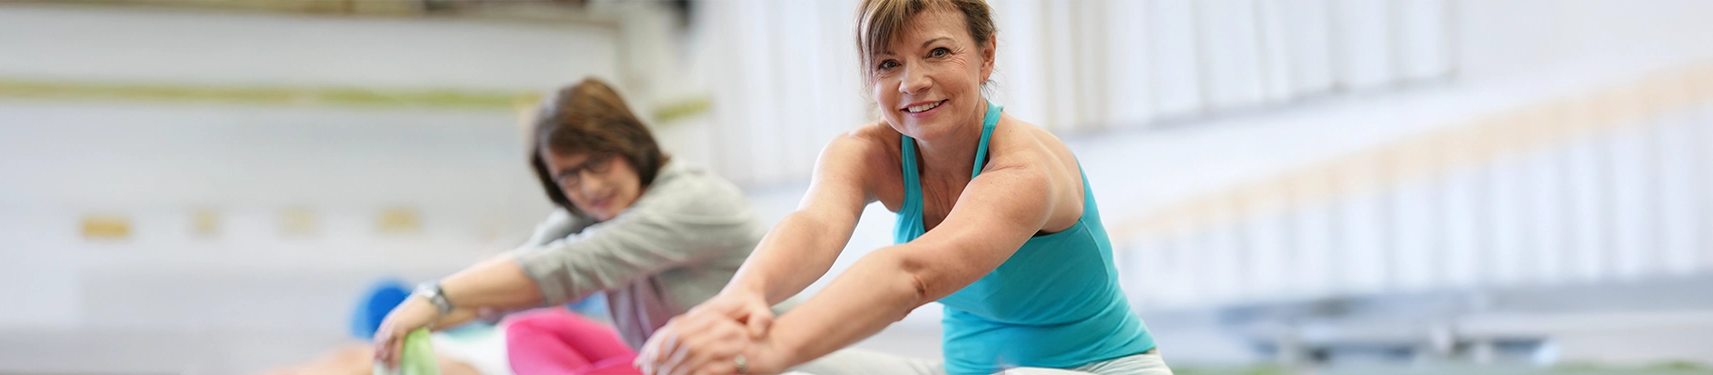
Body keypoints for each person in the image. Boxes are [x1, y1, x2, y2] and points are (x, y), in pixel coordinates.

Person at [635, 1, 1169, 374]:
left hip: (1100, 368)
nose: (912, 82)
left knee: (765, 355)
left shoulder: (1024, 169)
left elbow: (912, 275)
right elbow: (814, 226)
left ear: (985, 56)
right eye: (889, 63)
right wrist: (736, 304)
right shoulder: (865, 152)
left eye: (937, 52)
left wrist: (764, 349)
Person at [277, 77, 767, 375]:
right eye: (568, 176)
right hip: (675, 359)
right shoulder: (599, 207)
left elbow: (564, 267)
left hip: (746, 361)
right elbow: (517, 275)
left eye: (598, 162)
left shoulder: (689, 202)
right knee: (528, 325)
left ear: (629, 143)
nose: (589, 186)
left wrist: (432, 299)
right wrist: (418, 322)